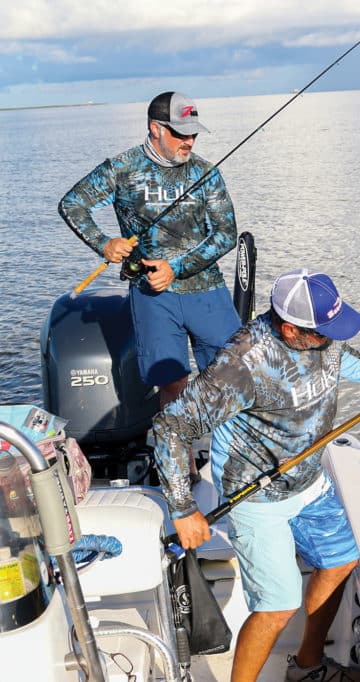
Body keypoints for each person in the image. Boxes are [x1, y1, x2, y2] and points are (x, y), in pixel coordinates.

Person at [151, 268, 360, 682]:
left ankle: (307, 665)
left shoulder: (322, 339)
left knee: (340, 562)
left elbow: (339, 358)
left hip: (310, 480)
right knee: (277, 606)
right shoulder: (242, 364)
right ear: (289, 328)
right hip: (256, 495)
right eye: (323, 332)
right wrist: (183, 507)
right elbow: (169, 427)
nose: (330, 339)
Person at [59, 91, 242, 480]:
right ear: (155, 129)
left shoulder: (205, 172)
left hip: (207, 291)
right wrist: (104, 243)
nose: (189, 142)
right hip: (151, 296)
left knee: (226, 378)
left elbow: (226, 234)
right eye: (180, 134)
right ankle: (182, 465)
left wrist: (177, 267)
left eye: (194, 134)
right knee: (172, 381)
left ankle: (232, 462)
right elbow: (72, 204)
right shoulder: (121, 169)